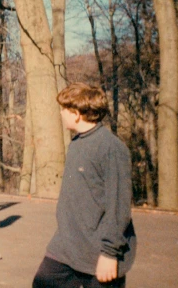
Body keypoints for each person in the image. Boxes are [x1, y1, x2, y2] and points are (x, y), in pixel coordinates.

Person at [32, 83, 136, 288]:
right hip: (66, 247)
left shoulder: (111, 148)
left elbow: (119, 207)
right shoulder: (77, 143)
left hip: (99, 253)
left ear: (77, 114)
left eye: (63, 109)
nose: (61, 113)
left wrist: (109, 253)